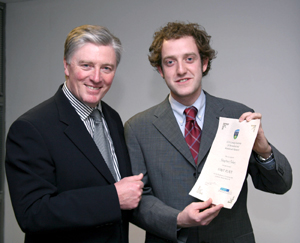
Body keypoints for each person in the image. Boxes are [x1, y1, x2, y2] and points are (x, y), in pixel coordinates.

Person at [124, 21, 292, 243]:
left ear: (204, 63)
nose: (181, 70)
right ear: (161, 71)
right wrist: (178, 219)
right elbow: (136, 200)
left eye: (189, 58)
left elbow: (280, 185)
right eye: (170, 62)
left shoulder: (238, 116)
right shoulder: (137, 128)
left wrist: (264, 151)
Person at [5, 25, 144, 243]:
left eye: (106, 68)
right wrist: (112, 198)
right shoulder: (31, 128)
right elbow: (32, 213)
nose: (96, 77)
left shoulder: (113, 118)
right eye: (86, 65)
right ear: (66, 66)